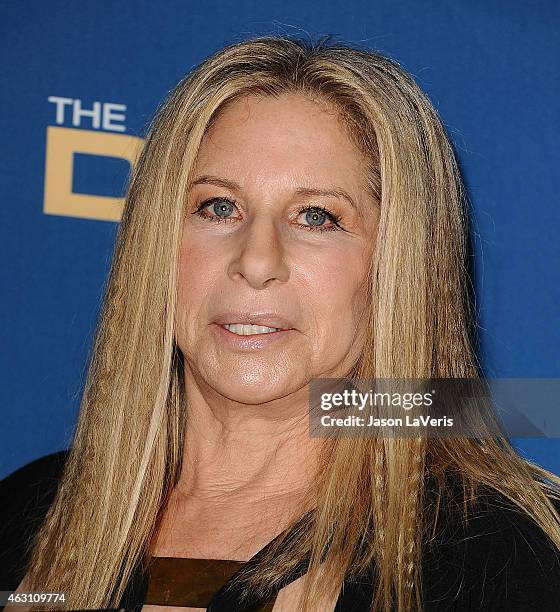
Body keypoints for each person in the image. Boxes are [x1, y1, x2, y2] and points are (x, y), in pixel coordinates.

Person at [2, 34, 560, 612]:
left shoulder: (494, 557)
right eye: (218, 208)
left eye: (316, 217)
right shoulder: (27, 516)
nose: (257, 261)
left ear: (396, 264)